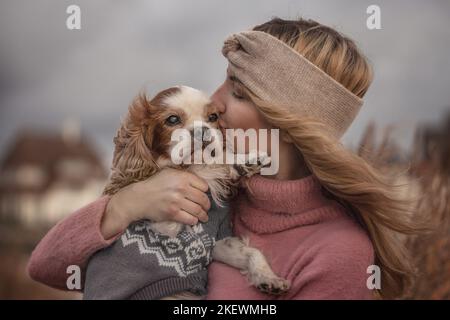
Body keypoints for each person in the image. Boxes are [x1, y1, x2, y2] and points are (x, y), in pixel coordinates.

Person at [27, 17, 420, 299]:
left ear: (288, 125)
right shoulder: (197, 190)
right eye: (224, 77)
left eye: (239, 92)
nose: (213, 101)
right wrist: (126, 204)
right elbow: (47, 267)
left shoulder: (338, 252)